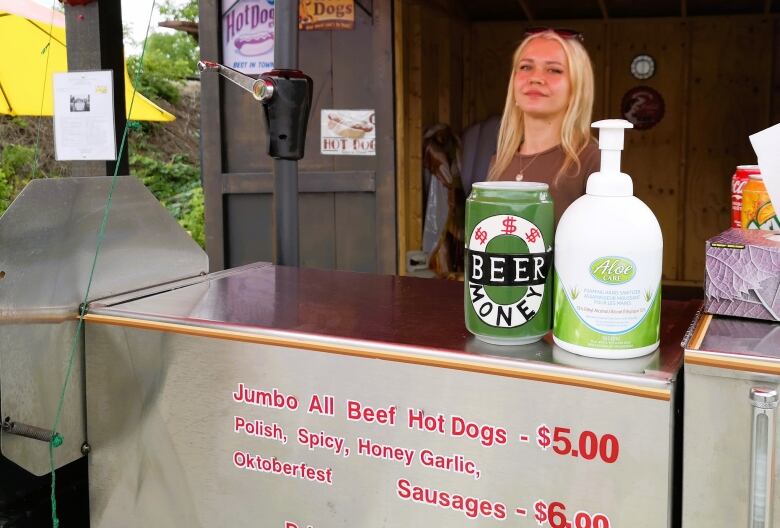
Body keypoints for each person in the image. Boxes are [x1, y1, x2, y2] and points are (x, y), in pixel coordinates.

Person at [487, 28, 599, 224]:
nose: (536, 78)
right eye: (526, 67)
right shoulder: (499, 161)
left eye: (554, 70)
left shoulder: (592, 160)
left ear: (577, 87)